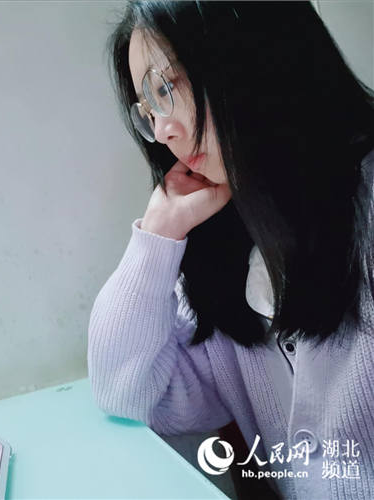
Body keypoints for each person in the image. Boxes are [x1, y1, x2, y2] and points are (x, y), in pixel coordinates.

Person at [87, 2, 374, 500]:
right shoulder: (223, 249)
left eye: (166, 88)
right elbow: (126, 393)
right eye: (149, 109)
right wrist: (158, 234)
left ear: (250, 59)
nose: (163, 130)